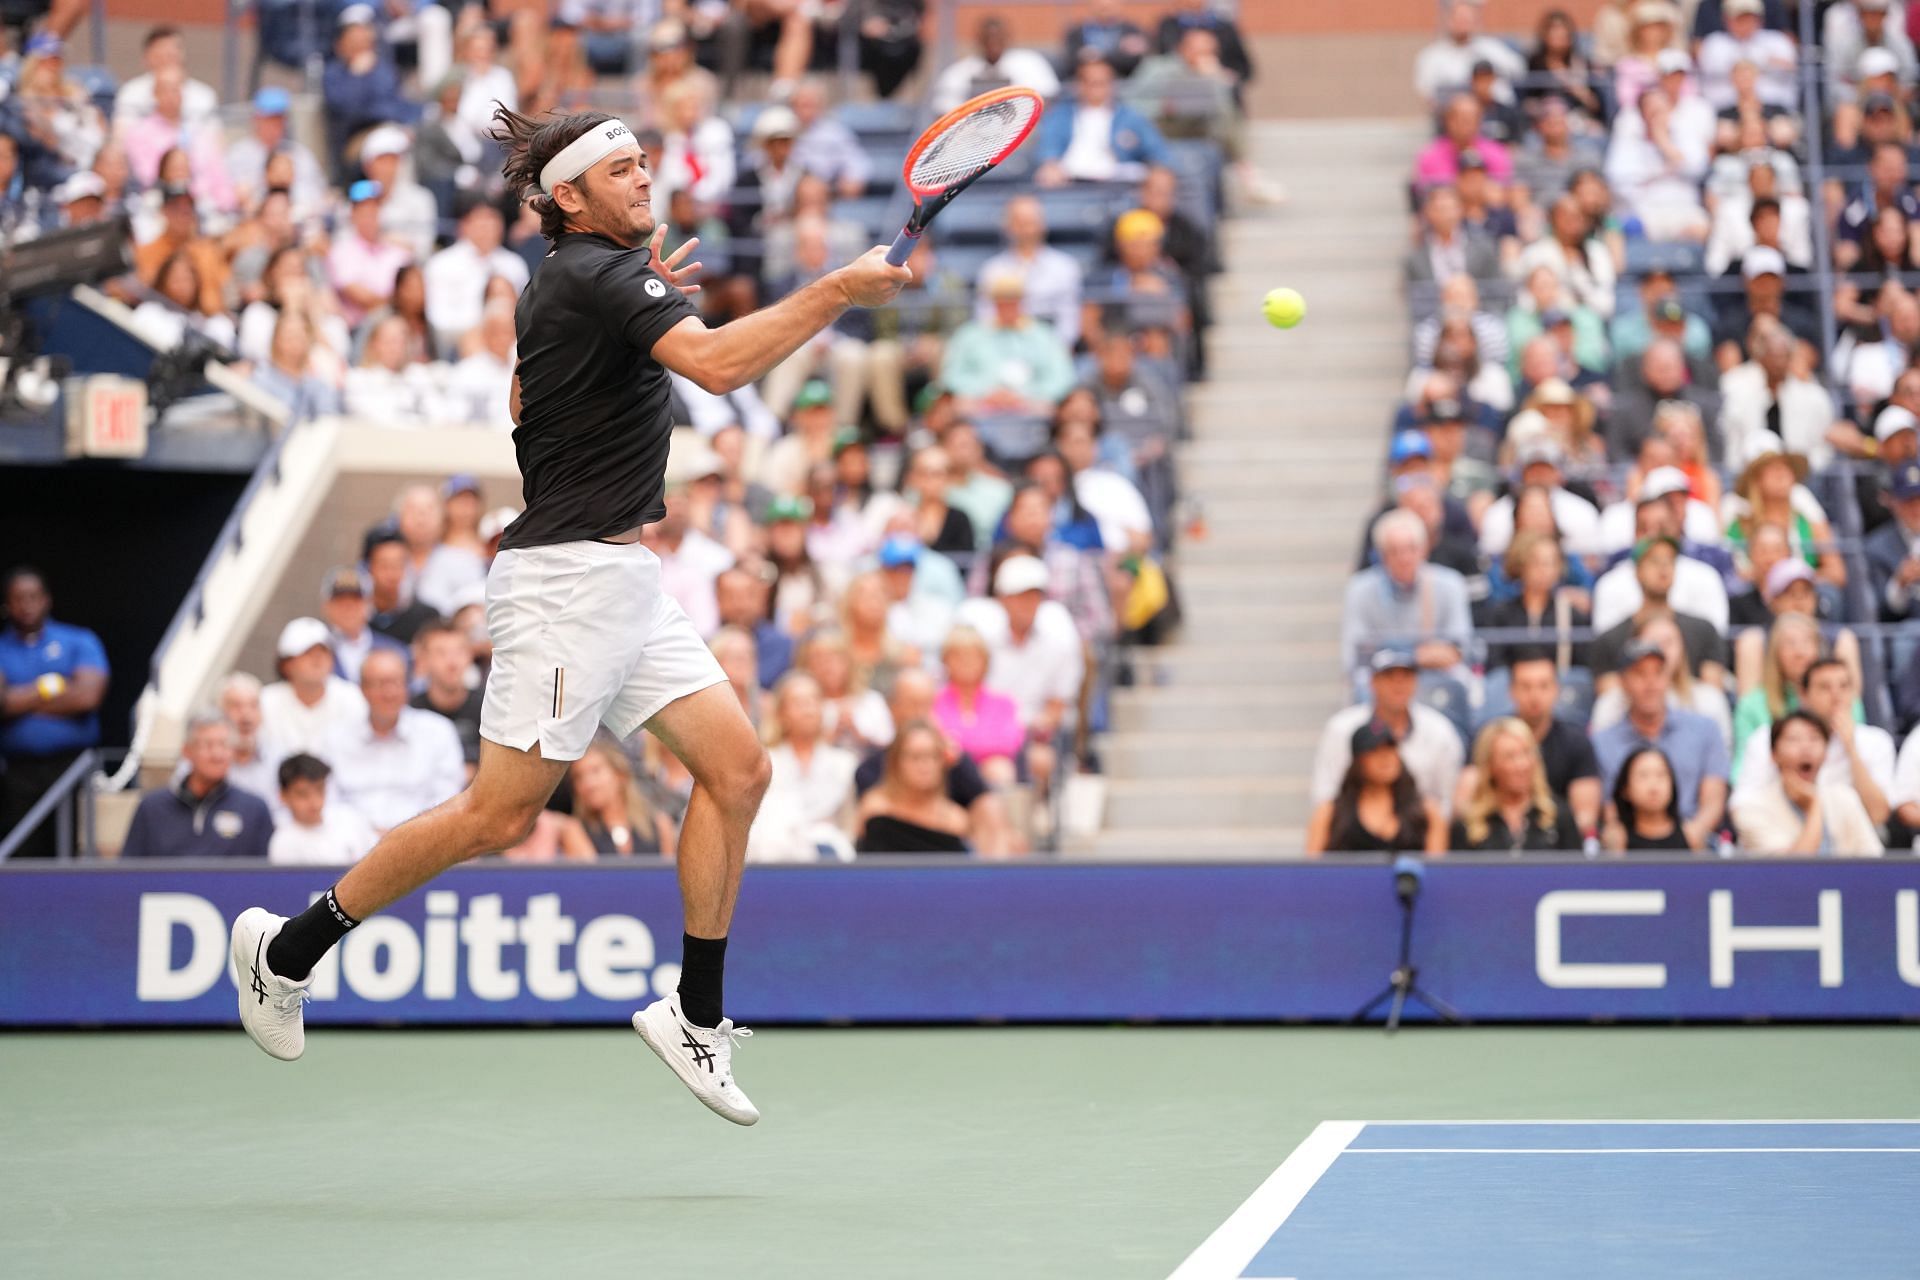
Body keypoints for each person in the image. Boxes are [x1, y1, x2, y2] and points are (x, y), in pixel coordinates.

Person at [230, 106, 911, 1129]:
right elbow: (721, 367)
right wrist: (836, 290)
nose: (645, 180)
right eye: (622, 170)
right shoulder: (595, 276)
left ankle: (696, 1010)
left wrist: (635, 325)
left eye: (646, 164)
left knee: (739, 769)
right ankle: (287, 950)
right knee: (499, 815)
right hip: (564, 588)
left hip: (625, 581)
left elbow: (536, 398)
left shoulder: (586, 285)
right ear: (570, 198)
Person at [0, 567, 108, 858]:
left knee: (76, 850)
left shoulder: (78, 640)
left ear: (46, 600)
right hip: (17, 774)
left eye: (33, 597)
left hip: (73, 769)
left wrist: (20, 698)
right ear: (7, 604)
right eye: (18, 598)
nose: (26, 605)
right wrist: (48, 687)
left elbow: (87, 697)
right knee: (22, 852)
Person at [1731, 657, 1893, 827]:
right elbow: (1741, 806)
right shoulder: (1766, 738)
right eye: (1825, 687)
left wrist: (1851, 748)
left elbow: (1878, 814)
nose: (1836, 696)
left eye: (1844, 686)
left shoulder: (1877, 741)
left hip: (1850, 843)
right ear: (1803, 694)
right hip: (1781, 837)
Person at [1309, 649, 1465, 815]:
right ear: (1373, 682)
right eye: (1389, 676)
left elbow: (1447, 797)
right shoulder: (1341, 728)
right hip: (1354, 828)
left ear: (1416, 682)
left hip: (1418, 828)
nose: (1398, 684)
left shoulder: (1439, 729)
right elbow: (1324, 791)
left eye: (1406, 676)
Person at [121, 713, 274, 859]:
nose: (217, 754)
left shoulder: (255, 809)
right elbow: (130, 871)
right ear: (187, 750)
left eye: (224, 745)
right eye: (207, 745)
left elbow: (266, 878)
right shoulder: (152, 807)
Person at [1730, 711, 1884, 854]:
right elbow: (1793, 873)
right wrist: (1814, 805)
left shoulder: (1845, 798)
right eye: (1794, 739)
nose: (1806, 747)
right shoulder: (1752, 808)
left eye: (1814, 738)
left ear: (1826, 753)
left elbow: (1875, 861)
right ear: (1773, 754)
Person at [1304, 721, 1446, 856]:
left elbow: (1435, 871)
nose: (1385, 757)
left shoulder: (1427, 813)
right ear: (1358, 760)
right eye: (1374, 750)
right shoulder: (1330, 813)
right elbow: (1312, 872)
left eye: (1390, 748)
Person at [1450, 718, 1582, 853]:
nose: (1521, 765)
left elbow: (1577, 871)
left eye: (1526, 753)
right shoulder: (1468, 825)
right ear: (1490, 766)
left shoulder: (1558, 816)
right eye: (1510, 757)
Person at [854, 719, 973, 855]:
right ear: (896, 761)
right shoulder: (875, 808)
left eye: (933, 756)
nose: (925, 766)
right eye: (915, 757)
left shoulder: (955, 820)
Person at [569, 736, 675, 856]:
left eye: (596, 771)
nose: (588, 783)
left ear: (620, 775)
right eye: (579, 777)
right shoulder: (575, 829)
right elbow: (591, 874)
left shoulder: (660, 824)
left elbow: (669, 872)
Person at [267, 754, 378, 866]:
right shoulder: (283, 843)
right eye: (303, 794)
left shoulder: (349, 816)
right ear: (283, 796)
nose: (315, 802)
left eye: (320, 790)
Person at [408, 619, 484, 774]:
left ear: (470, 656)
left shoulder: (489, 706)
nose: (452, 662)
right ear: (423, 660)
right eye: (441, 653)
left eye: (459, 652)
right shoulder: (410, 712)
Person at [1605, 746, 1696, 852]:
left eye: (1661, 775)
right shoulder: (1618, 837)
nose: (1654, 787)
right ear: (1625, 789)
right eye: (1643, 776)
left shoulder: (1690, 834)